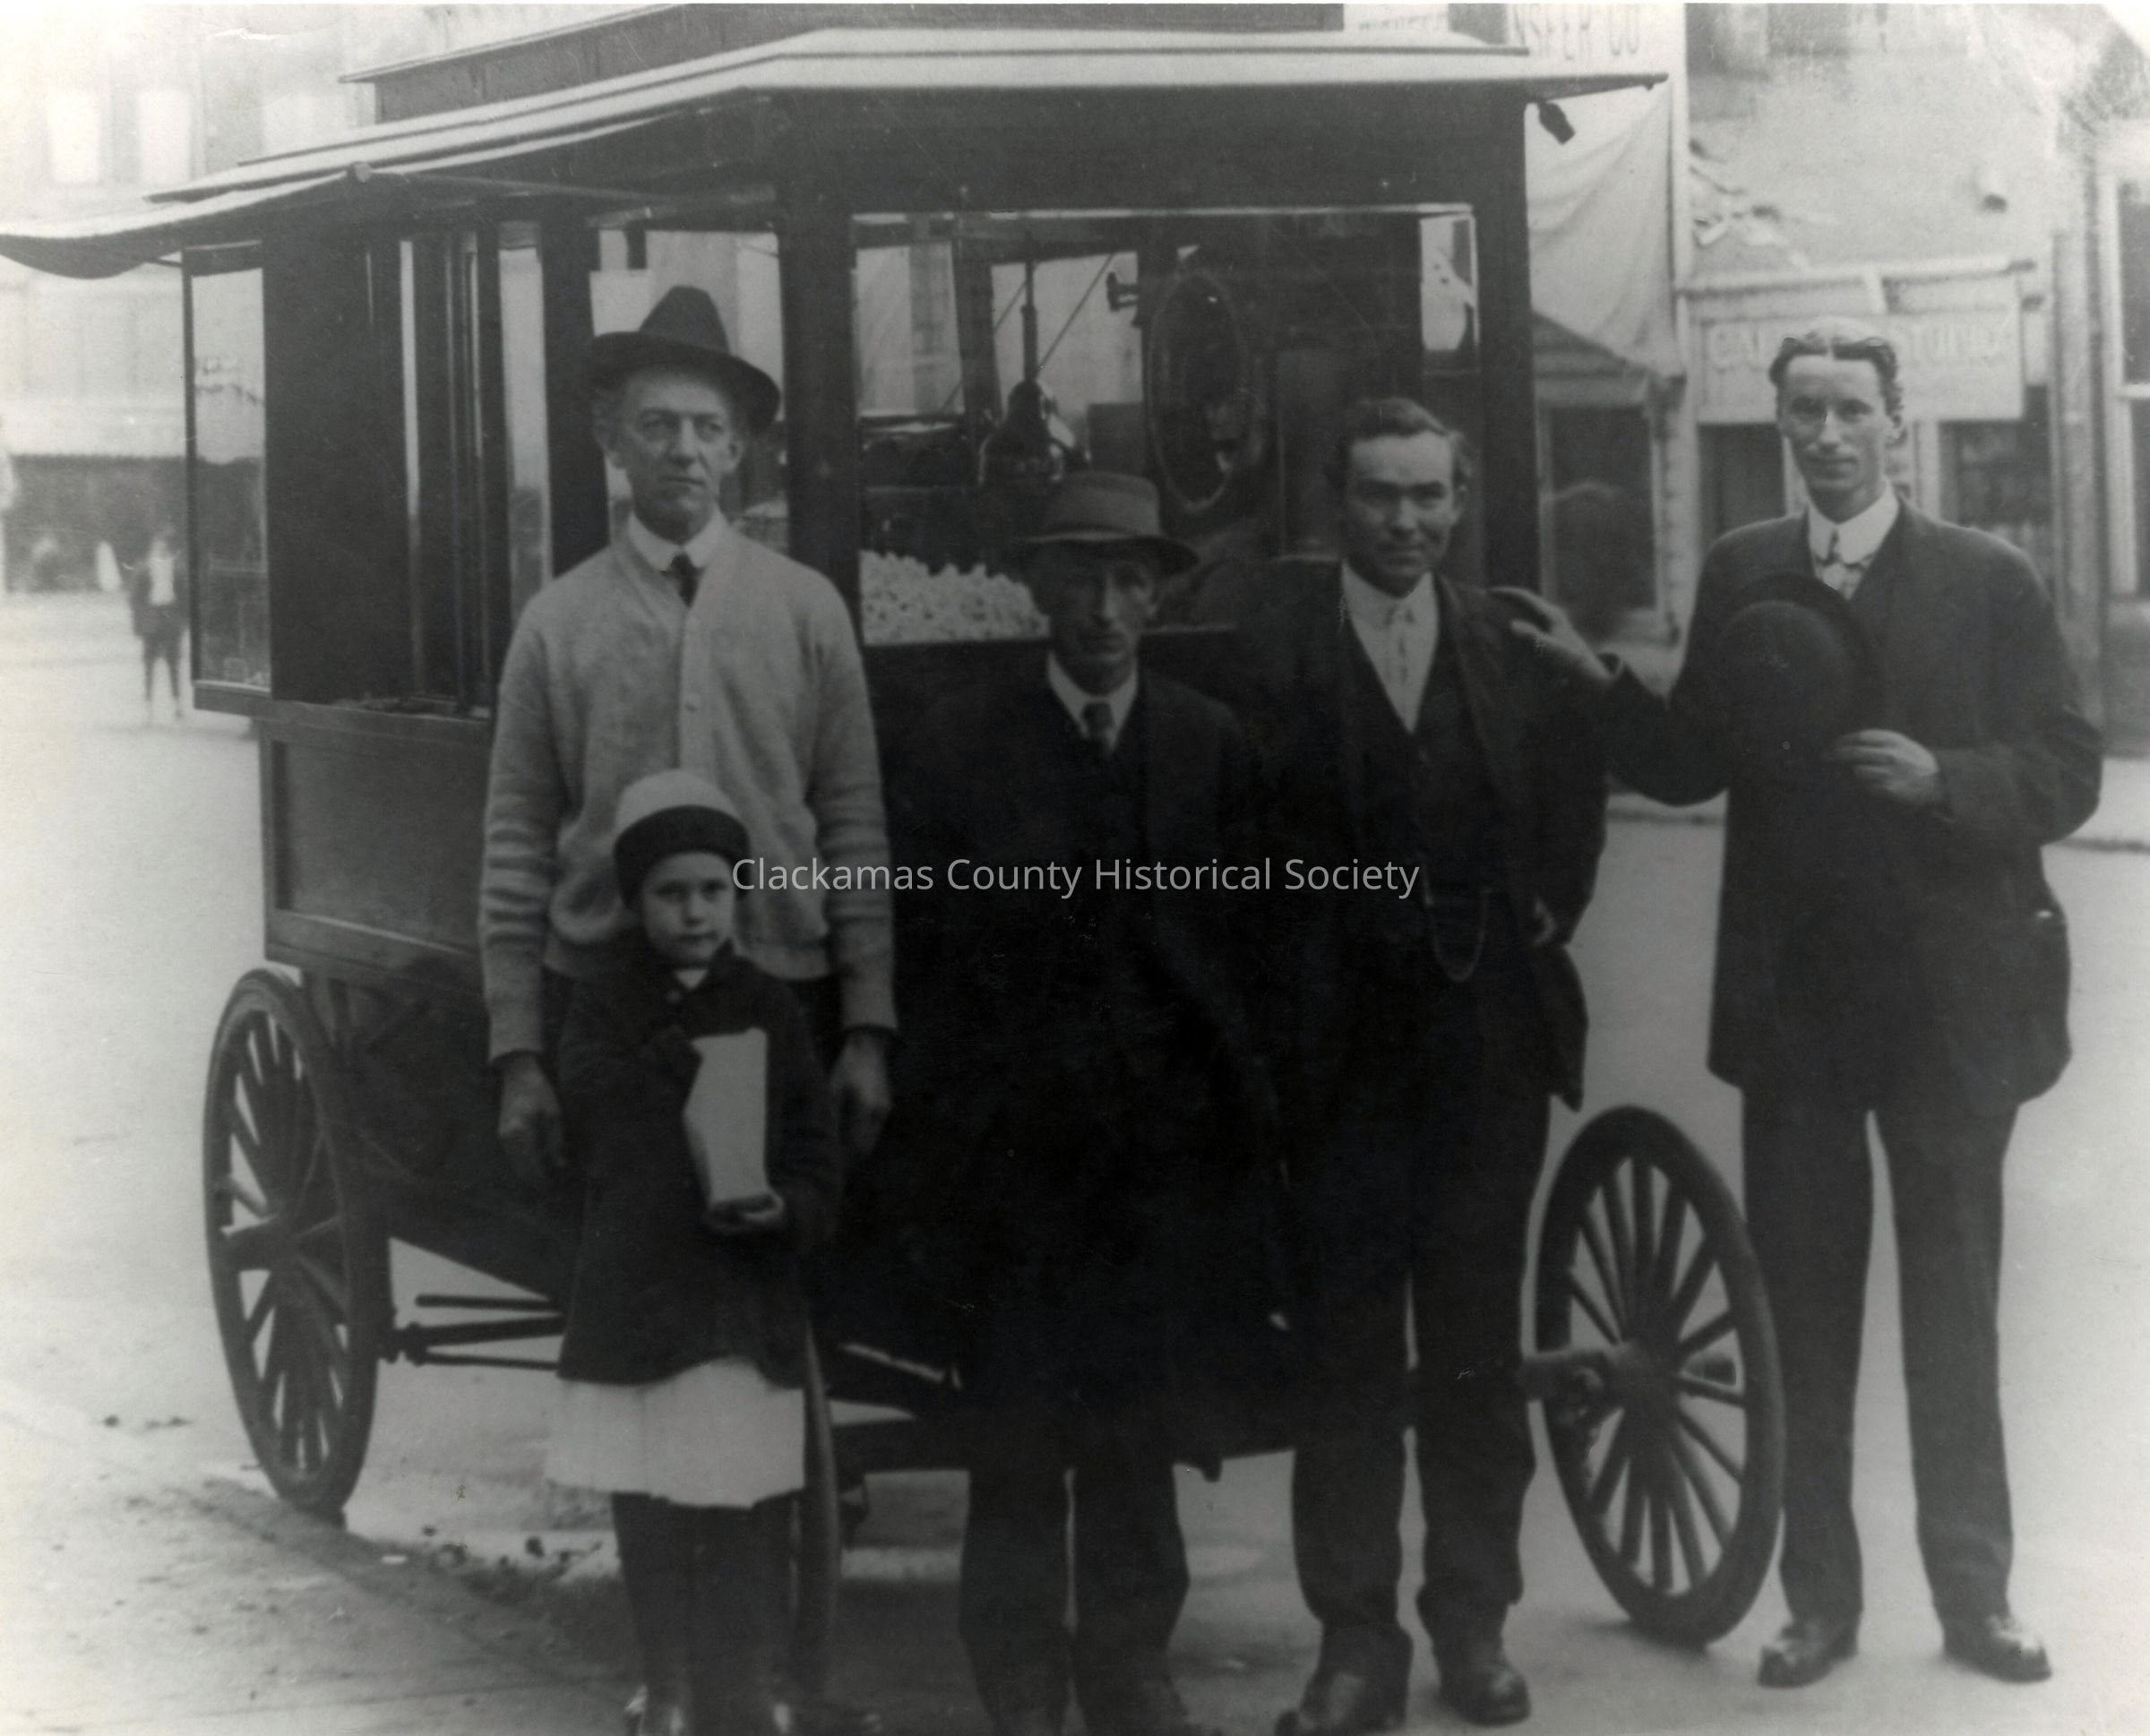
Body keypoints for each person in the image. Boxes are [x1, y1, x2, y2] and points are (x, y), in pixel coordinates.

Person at [1511, 317, 2101, 1689]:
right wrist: (1599, 684)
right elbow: (1691, 761)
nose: (1827, 435)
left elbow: (2069, 765)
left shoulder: (1988, 577)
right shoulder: (1743, 569)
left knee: (1955, 1313)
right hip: (1803, 1012)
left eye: (1850, 409)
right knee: (1801, 1319)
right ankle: (1818, 1602)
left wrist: (1949, 779)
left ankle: (1976, 1598)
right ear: (1779, 425)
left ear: (1898, 418)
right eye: (1804, 412)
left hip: (1950, 1014)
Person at [890, 472, 1282, 1736]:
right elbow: (926, 955)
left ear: (1160, 596)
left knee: (1135, 1414)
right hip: (1016, 1150)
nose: (1104, 610)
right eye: (1078, 582)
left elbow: (1247, 949)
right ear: (1036, 592)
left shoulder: (1210, 743)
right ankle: (1017, 1666)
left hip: (1160, 1152)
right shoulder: (960, 741)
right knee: (1014, 1417)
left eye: (1128, 582)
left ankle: (1129, 1663)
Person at [1243, 399, 1608, 1731]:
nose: (1405, 521)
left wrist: (1549, 905)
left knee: (1472, 1346)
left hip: (1483, 1046)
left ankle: (1475, 1621)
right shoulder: (1272, 651)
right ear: (1335, 502)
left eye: (1427, 496)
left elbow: (1573, 800)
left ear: (1459, 502)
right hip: (1334, 1056)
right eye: (1379, 495)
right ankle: (1356, 1642)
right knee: (1346, 1348)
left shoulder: (1512, 646)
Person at [480, 286, 895, 1188]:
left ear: (738, 447)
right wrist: (518, 1053)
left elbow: (853, 826)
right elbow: (516, 844)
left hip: (782, 996)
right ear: (612, 440)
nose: (684, 450)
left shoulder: (807, 611)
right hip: (608, 1013)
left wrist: (866, 1026)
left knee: (780, 1251)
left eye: (708, 428)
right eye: (657, 425)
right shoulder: (555, 624)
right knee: (628, 1257)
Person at [549, 769, 844, 1736]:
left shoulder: (769, 1005)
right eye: (671, 893)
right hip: (644, 1299)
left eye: (714, 890)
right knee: (652, 1497)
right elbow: (596, 1119)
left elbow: (814, 1149)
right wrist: (681, 1055)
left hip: (739, 1298)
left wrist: (788, 1208)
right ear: (636, 902)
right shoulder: (604, 1005)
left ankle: (743, 1682)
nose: (695, 912)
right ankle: (668, 1683)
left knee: (745, 1496)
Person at [127, 528, 187, 721]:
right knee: (149, 664)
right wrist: (139, 624)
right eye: (158, 546)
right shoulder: (144, 569)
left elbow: (185, 597)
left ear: (168, 548)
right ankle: (148, 705)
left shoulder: (177, 568)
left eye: (164, 546)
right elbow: (135, 599)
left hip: (170, 617)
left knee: (173, 663)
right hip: (151, 618)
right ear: (153, 547)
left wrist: (182, 621)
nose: (161, 549)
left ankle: (177, 704)